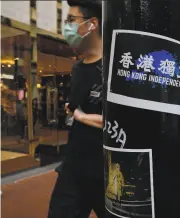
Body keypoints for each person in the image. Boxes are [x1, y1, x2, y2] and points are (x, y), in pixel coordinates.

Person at [48, 1, 105, 217]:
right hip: (73, 168)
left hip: (106, 173)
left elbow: (118, 120)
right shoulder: (78, 68)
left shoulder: (113, 67)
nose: (67, 27)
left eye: (72, 20)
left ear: (92, 24)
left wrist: (80, 116)